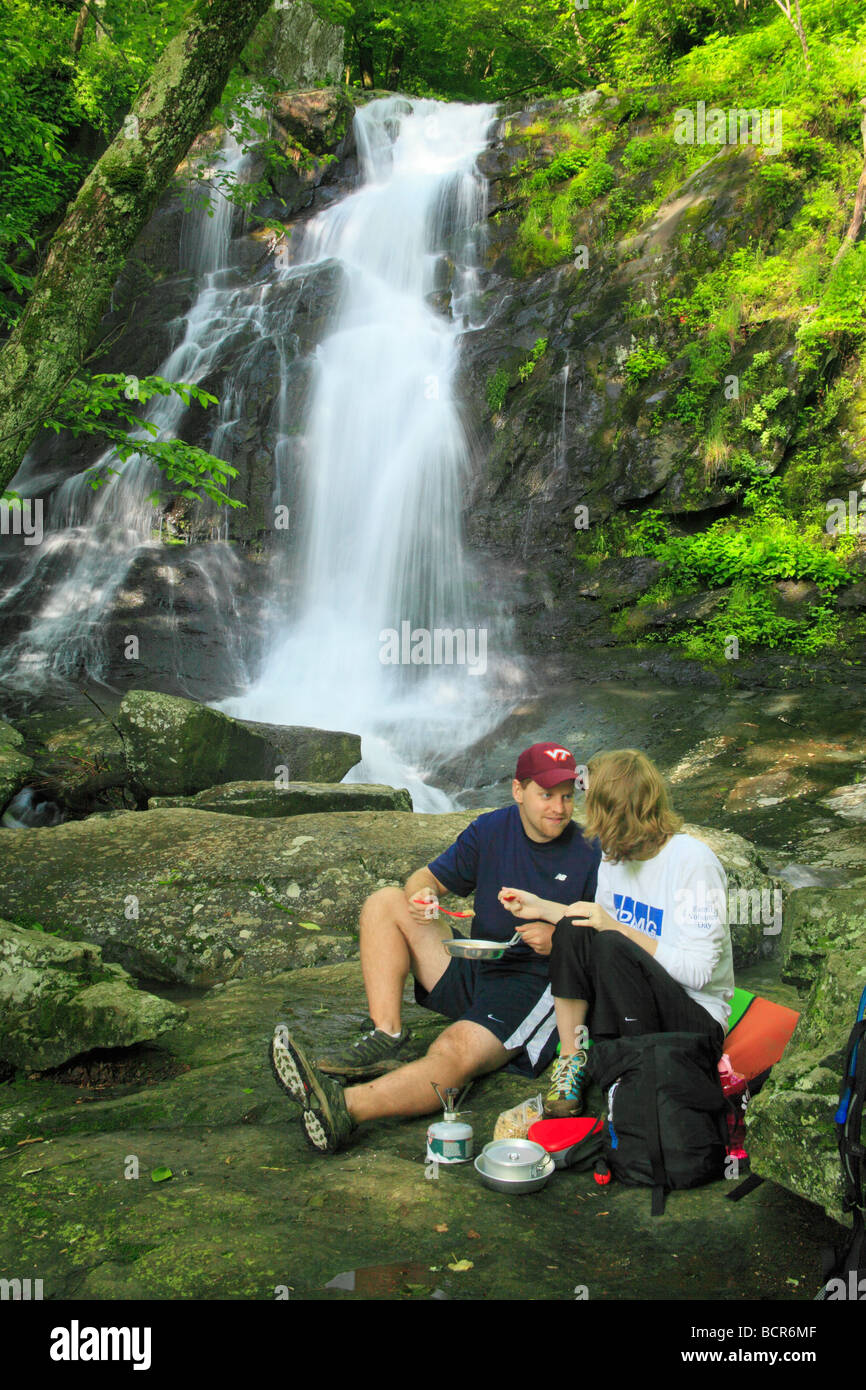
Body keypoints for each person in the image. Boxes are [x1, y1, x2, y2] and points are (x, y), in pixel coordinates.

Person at [269, 741, 601, 1152]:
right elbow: (424, 877)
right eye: (546, 795)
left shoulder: (591, 851)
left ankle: (344, 1107)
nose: (559, 808)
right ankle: (386, 1035)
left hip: (534, 986)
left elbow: (605, 934)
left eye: (567, 797)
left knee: (452, 1048)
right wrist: (422, 897)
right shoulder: (491, 829)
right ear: (518, 791)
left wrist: (560, 939)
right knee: (385, 902)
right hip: (479, 963)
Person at [498, 749, 734, 1118]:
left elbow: (700, 973)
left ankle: (631, 1072)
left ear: (614, 810)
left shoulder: (693, 862)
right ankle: (571, 1061)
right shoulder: (613, 856)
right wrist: (541, 907)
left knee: (609, 942)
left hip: (694, 1020)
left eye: (591, 803)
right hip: (630, 1001)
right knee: (572, 929)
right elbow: (598, 923)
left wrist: (617, 929)